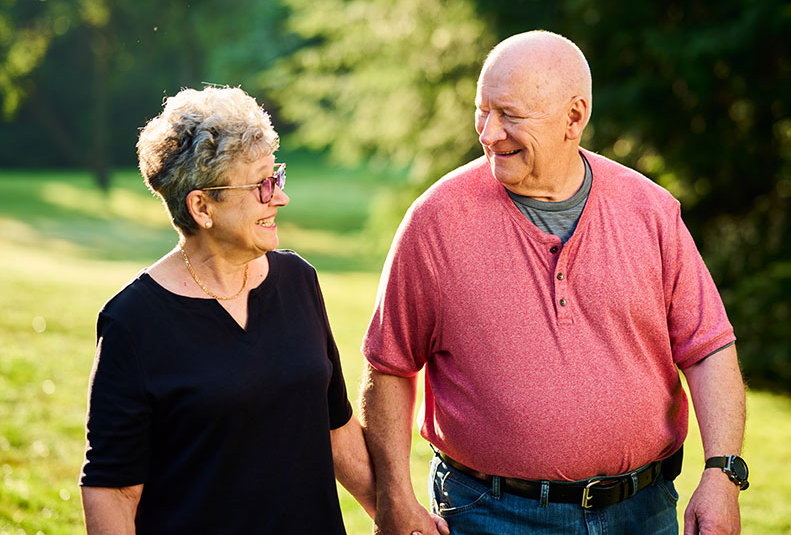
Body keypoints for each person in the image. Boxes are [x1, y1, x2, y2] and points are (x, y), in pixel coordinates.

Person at [359, 31, 747, 535]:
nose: (489, 133)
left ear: (574, 117)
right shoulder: (434, 221)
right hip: (489, 515)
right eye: (482, 111)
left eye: (510, 115)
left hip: (644, 512)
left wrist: (722, 475)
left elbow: (708, 348)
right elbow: (389, 367)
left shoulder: (649, 210)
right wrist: (393, 497)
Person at [80, 86, 376, 534]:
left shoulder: (297, 280)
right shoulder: (133, 321)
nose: (279, 197)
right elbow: (113, 489)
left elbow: (335, 425)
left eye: (275, 176)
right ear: (202, 207)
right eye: (260, 185)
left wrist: (394, 513)